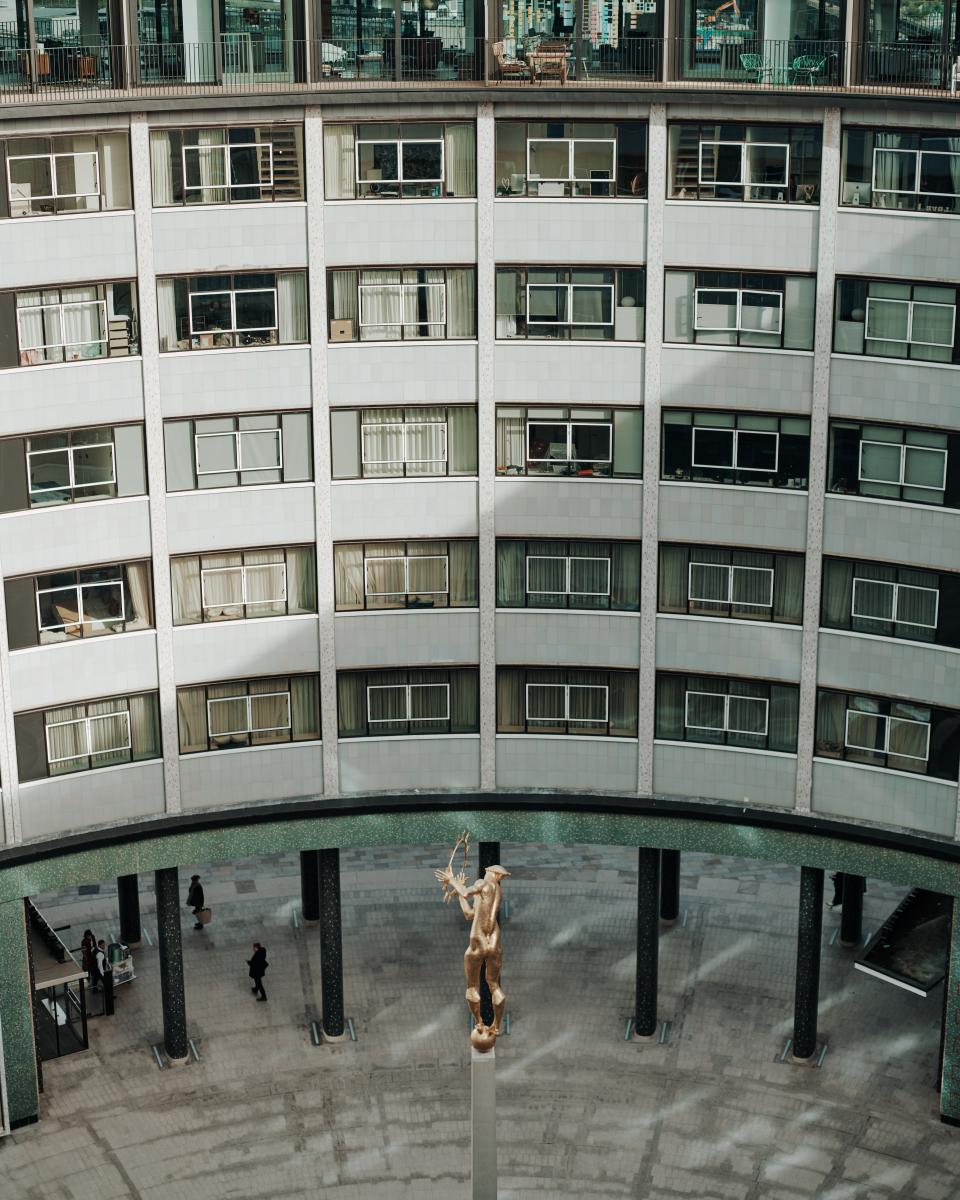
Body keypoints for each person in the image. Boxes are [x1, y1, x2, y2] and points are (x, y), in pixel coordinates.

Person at [436, 840, 510, 1040]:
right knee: (494, 984)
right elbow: (469, 914)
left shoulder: (481, 884)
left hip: (478, 943)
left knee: (471, 985)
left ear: (490, 872)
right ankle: (495, 1025)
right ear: (500, 876)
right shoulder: (498, 893)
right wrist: (459, 893)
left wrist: (452, 880)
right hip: (494, 943)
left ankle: (478, 1022)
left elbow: (466, 892)